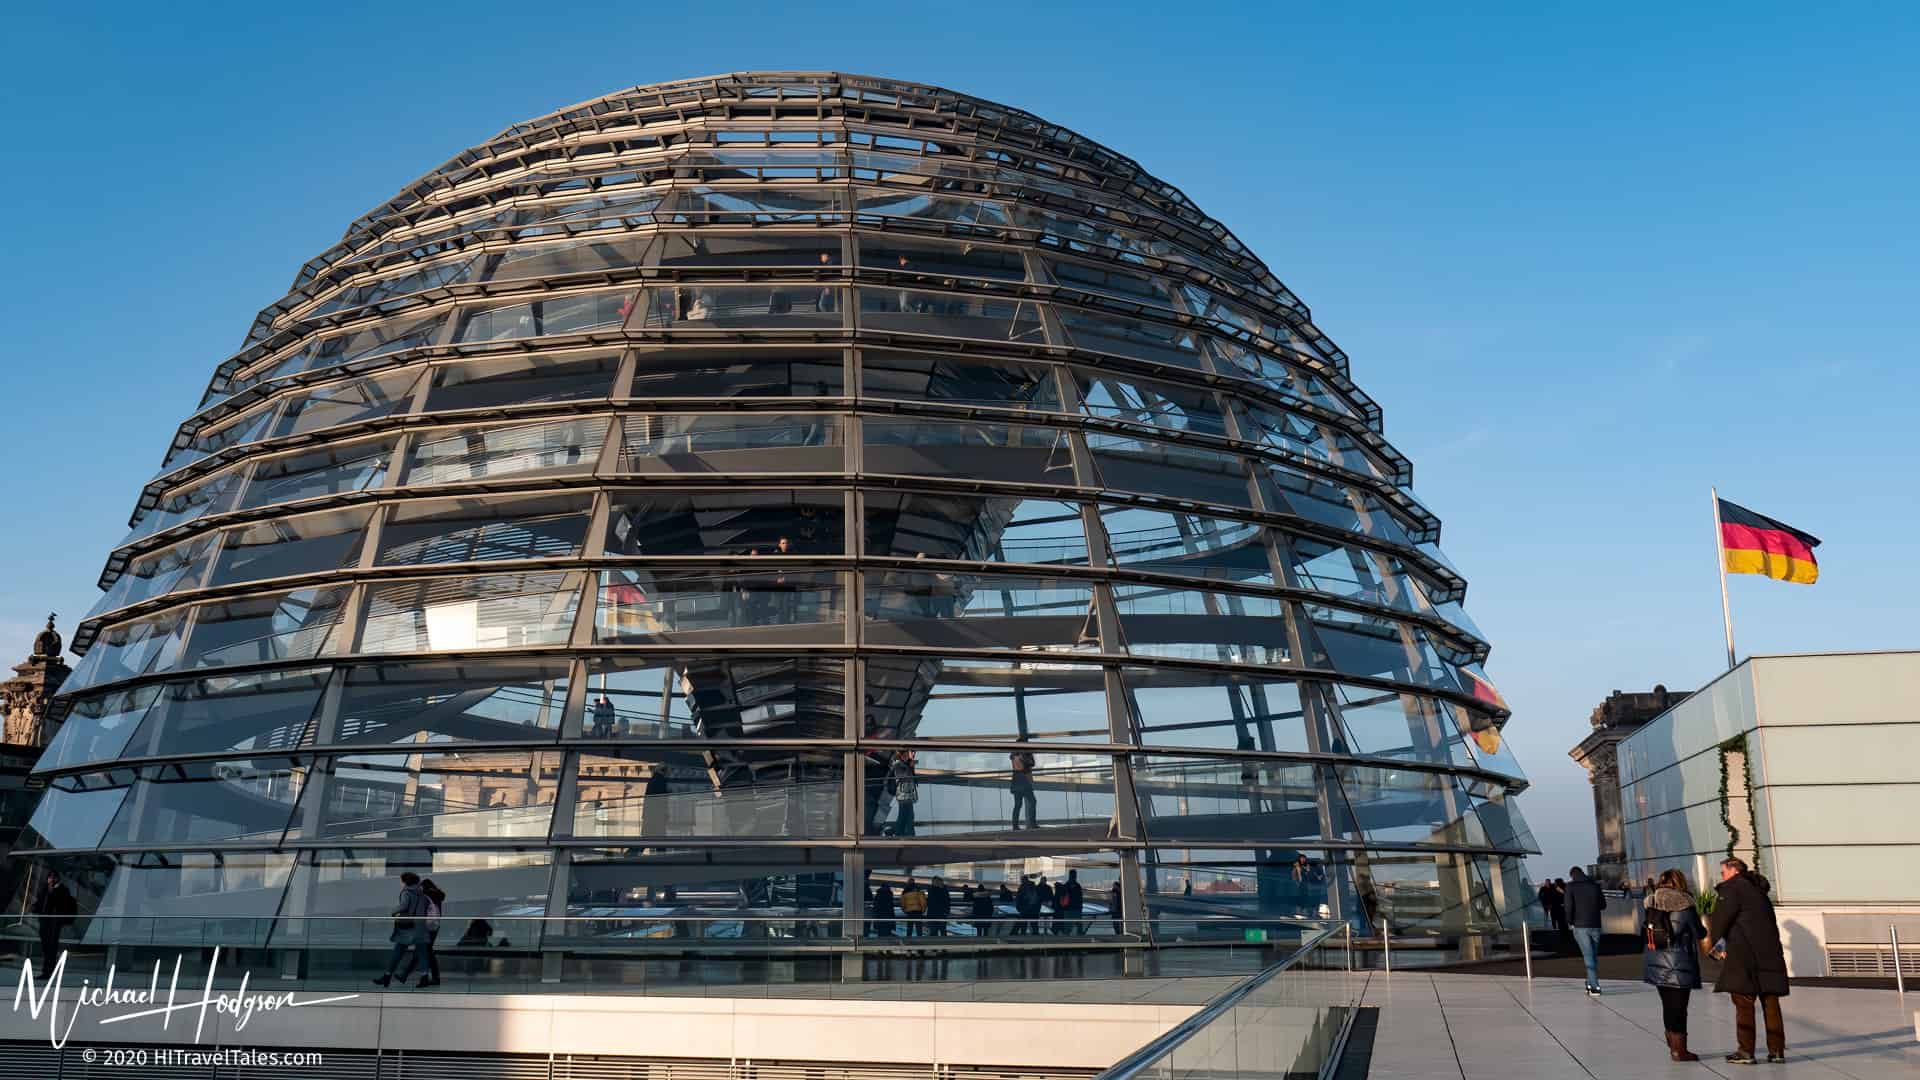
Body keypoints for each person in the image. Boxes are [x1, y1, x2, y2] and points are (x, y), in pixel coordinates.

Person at [1708, 857, 1789, 1064]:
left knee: (1743, 1002)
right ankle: (1777, 1051)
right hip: (1769, 953)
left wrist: (1717, 950)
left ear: (1734, 870)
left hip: (1743, 954)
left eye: (1723, 871)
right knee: (1771, 1002)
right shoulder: (1759, 891)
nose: (1722, 876)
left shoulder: (1732, 889)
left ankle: (1746, 1052)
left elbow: (1720, 921)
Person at [1642, 868, 1707, 1061]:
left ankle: (1673, 1044)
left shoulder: (1651, 903)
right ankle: (1680, 1050)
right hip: (1679, 964)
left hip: (1656, 961)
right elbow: (1700, 933)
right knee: (1679, 1008)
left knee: (1668, 1006)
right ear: (1680, 882)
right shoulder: (1685, 904)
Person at [372, 872, 430, 987]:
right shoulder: (422, 895)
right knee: (422, 954)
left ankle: (387, 976)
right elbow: (425, 908)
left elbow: (404, 906)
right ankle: (424, 978)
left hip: (408, 927)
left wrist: (393, 911)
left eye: (401, 880)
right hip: (421, 926)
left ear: (405, 882)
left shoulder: (406, 893)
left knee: (398, 952)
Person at [1564, 866, 1607, 995]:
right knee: (1592, 955)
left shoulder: (1570, 887)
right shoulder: (1595, 885)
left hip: (1580, 926)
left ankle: (1595, 987)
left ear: (1572, 875)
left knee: (1588, 957)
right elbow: (1603, 905)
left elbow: (1568, 907)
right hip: (1595, 924)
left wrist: (1570, 922)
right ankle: (1589, 983)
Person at [32, 871, 76, 968]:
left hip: (54, 922)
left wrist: (52, 891)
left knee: (51, 945)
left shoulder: (63, 890)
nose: (51, 879)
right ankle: (46, 968)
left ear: (57, 879)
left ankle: (49, 969)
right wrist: (34, 907)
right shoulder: (44, 889)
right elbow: (40, 902)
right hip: (44, 921)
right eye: (49, 877)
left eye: (53, 877)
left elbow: (61, 903)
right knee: (45, 945)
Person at [416, 878, 446, 989]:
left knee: (426, 950)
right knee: (427, 950)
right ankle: (432, 977)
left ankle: (432, 977)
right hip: (435, 925)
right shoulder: (437, 895)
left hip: (428, 926)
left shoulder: (427, 895)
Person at [888, 751, 918, 837]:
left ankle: (900, 833)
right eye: (906, 755)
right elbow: (903, 776)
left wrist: (911, 766)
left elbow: (912, 778)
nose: (909, 756)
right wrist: (910, 766)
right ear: (901, 756)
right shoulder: (898, 765)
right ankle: (908, 834)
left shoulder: (905, 764)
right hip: (903, 794)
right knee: (908, 815)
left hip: (907, 794)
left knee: (905, 814)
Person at [1009, 749, 1037, 830]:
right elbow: (1029, 764)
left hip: (1017, 781)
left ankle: (1015, 825)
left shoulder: (1014, 755)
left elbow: (1031, 763)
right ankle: (1032, 823)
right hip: (1023, 780)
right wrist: (1027, 756)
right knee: (1032, 801)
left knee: (1018, 804)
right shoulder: (1020, 755)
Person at [1065, 869, 1086, 935]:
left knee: (1068, 927)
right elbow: (1080, 898)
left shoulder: (1066, 885)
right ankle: (1080, 939)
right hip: (1077, 909)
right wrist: (1080, 907)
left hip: (1068, 909)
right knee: (1079, 926)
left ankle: (1067, 940)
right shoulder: (1077, 886)